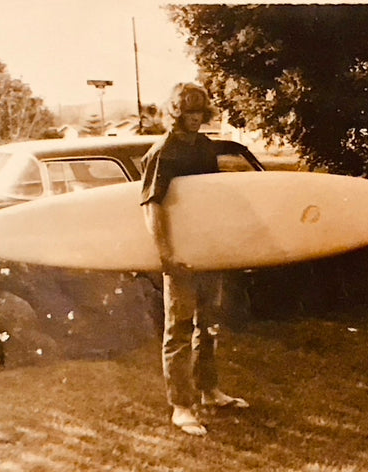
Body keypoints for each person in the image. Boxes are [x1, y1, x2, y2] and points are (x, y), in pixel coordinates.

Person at [140, 82, 249, 436]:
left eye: (199, 111)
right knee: (179, 330)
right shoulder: (163, 151)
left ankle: (209, 391)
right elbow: (151, 204)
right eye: (187, 111)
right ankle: (181, 406)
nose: (194, 117)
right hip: (180, 253)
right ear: (175, 111)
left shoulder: (204, 146)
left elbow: (209, 199)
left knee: (209, 324)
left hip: (206, 250)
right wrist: (166, 254)